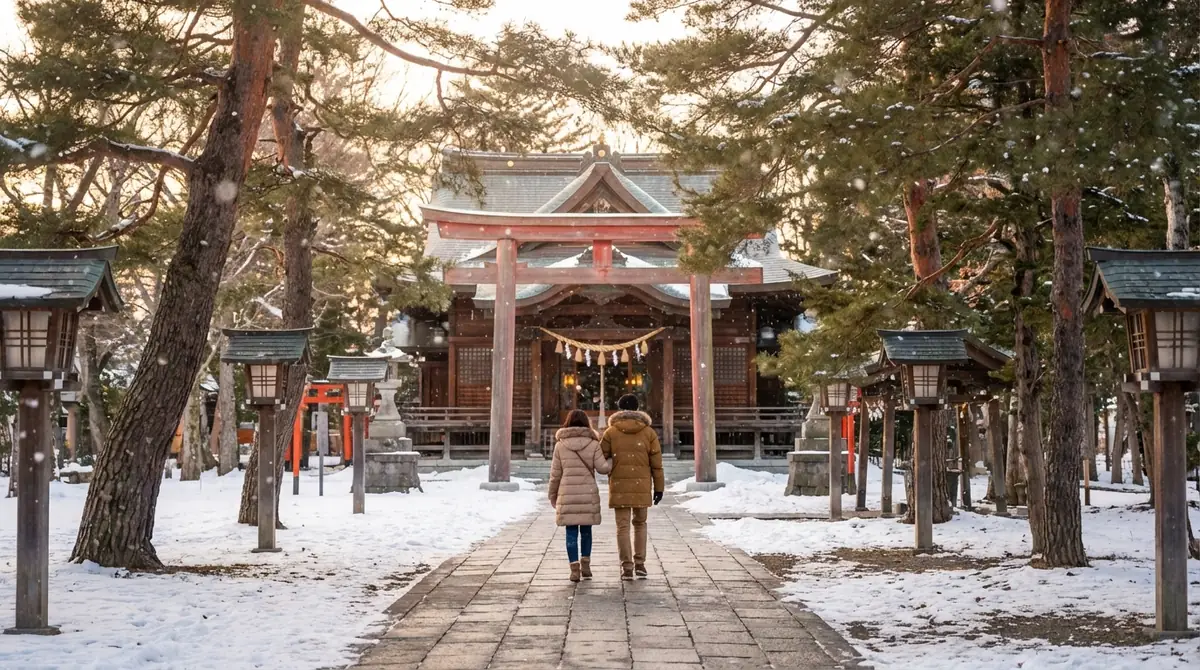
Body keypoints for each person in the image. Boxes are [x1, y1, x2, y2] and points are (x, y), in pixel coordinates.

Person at [600, 394, 664, 580]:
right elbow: (657, 464)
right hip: (641, 484)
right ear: (638, 409)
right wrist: (659, 488)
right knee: (640, 524)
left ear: (620, 409)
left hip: (619, 483)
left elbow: (602, 456)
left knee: (622, 527)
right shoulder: (648, 433)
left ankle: (626, 567)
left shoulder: (611, 432)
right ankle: (640, 564)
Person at [548, 409, 612, 583]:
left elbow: (555, 474)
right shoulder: (593, 444)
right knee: (586, 531)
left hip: (567, 493)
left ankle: (574, 569)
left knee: (570, 532)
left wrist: (552, 495)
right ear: (586, 423)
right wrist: (612, 460)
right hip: (587, 493)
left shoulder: (560, 445)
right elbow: (603, 468)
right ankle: (586, 565)